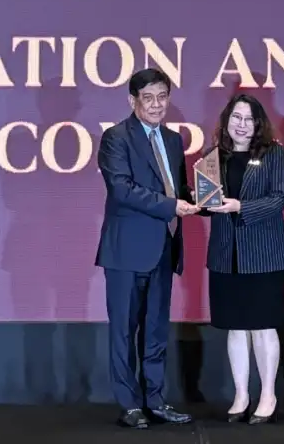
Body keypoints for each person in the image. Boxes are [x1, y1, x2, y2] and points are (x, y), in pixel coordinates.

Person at [95, 68, 200, 429]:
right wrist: (172, 206)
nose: (156, 105)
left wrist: (203, 197)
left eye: (162, 96)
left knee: (155, 331)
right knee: (124, 332)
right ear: (133, 101)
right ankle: (129, 405)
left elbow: (177, 189)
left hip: (163, 249)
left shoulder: (172, 139)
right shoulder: (116, 137)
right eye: (148, 98)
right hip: (126, 250)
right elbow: (122, 189)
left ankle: (155, 400)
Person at [201, 93, 284, 424]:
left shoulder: (274, 153)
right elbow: (208, 205)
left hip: (264, 254)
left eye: (248, 119)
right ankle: (241, 395)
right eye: (236, 117)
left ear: (258, 124)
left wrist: (241, 206)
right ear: (226, 120)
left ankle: (267, 394)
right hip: (226, 254)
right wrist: (200, 202)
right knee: (236, 328)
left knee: (263, 326)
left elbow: (281, 197)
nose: (241, 124)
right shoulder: (212, 157)